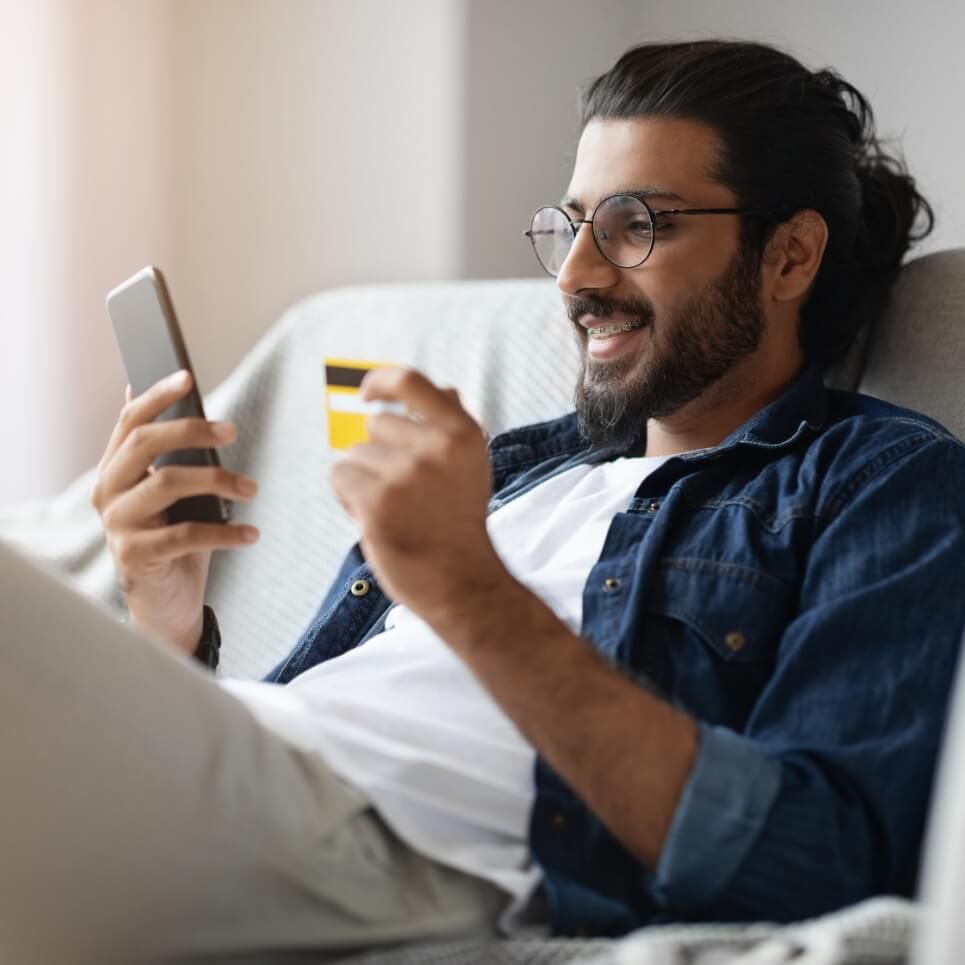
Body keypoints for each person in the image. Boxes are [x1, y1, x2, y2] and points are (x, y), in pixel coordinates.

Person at [3, 38, 965, 964]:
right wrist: (162, 617)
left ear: (790, 256)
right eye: (572, 225)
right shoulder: (515, 468)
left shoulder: (879, 481)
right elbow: (283, 730)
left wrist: (466, 587)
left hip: (377, 849)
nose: (580, 278)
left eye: (637, 224)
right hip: (260, 786)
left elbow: (819, 858)